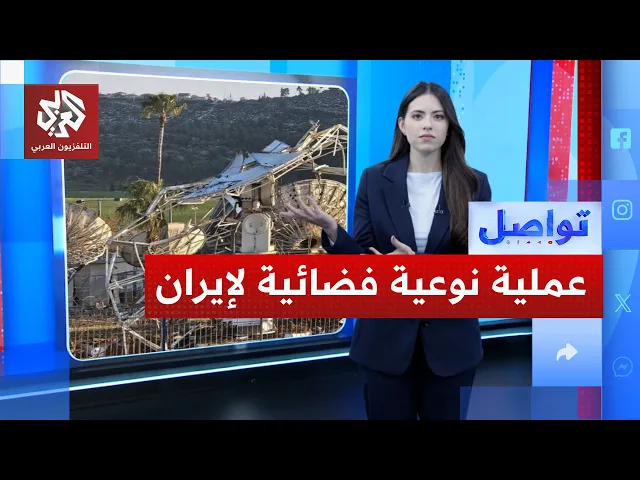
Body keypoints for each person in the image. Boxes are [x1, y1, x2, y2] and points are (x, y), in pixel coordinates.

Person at [280, 81, 492, 420]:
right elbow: (363, 259)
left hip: (452, 347)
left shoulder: (475, 184)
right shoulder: (374, 179)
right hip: (384, 344)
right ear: (402, 125)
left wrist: (418, 269)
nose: (427, 124)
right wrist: (332, 230)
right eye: (418, 116)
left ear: (449, 126)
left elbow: (480, 267)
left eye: (438, 116)